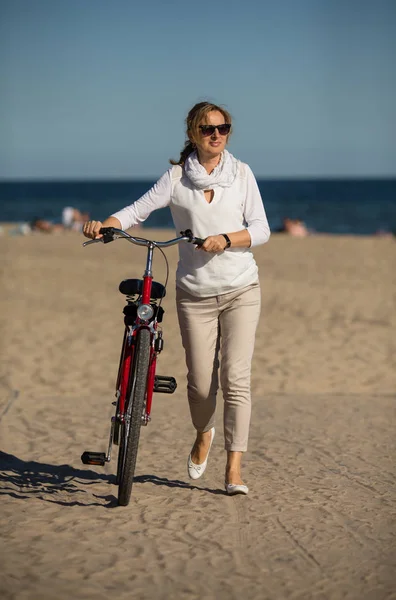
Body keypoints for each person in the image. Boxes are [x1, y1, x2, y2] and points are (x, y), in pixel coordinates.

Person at [83, 101, 270, 495]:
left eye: (223, 128)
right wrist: (106, 226)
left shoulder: (242, 174)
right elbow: (136, 211)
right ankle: (204, 432)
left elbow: (261, 229)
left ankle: (234, 468)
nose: (216, 134)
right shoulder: (175, 179)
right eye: (207, 129)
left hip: (241, 289)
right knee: (201, 385)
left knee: (236, 380)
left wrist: (226, 239)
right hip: (195, 295)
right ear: (192, 133)